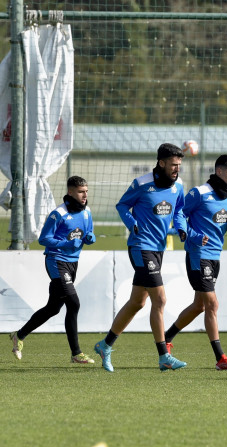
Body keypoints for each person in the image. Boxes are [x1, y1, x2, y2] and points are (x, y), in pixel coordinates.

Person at [93, 143, 187, 372]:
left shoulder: (178, 186)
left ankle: (105, 345)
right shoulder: (142, 184)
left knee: (138, 302)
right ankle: (164, 355)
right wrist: (132, 224)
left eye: (179, 165)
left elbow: (179, 211)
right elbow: (122, 205)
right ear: (161, 163)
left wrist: (182, 227)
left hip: (158, 249)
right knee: (160, 299)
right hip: (140, 246)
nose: (177, 169)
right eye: (173, 165)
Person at [166, 154, 227, 370]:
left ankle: (166, 337)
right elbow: (179, 213)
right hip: (198, 254)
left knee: (199, 305)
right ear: (219, 171)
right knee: (212, 304)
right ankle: (221, 358)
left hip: (215, 255)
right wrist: (190, 235)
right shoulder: (199, 193)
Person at [10, 176, 96, 364]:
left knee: (53, 308)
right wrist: (65, 243)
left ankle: (19, 335)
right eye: (81, 192)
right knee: (74, 303)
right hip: (56, 261)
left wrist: (90, 237)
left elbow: (89, 231)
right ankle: (76, 353)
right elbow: (43, 239)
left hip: (73, 263)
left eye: (86, 191)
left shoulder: (87, 212)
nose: (85, 195)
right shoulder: (58, 214)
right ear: (70, 192)